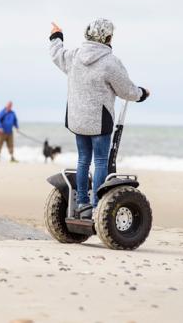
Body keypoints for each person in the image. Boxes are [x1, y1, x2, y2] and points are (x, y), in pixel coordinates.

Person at [49, 19, 150, 219]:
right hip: (99, 121)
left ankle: (82, 204)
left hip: (78, 120)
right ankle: (97, 205)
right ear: (108, 37)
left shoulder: (76, 56)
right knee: (101, 160)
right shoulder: (110, 62)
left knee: (83, 159)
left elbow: (57, 55)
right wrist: (142, 93)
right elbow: (127, 91)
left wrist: (56, 37)